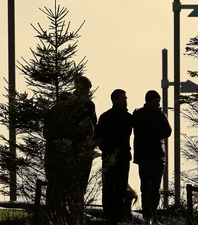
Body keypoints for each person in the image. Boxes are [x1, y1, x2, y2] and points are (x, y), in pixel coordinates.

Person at [44, 75, 98, 225]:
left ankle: (71, 214)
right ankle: (61, 213)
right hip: (69, 152)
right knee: (62, 185)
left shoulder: (88, 106)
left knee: (75, 185)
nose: (87, 92)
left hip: (80, 150)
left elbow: (93, 125)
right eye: (86, 88)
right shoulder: (71, 109)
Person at [133, 90, 172, 224]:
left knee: (155, 188)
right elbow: (142, 132)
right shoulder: (139, 115)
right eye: (155, 101)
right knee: (146, 187)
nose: (158, 104)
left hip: (158, 156)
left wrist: (153, 132)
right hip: (145, 156)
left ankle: (153, 214)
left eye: (158, 101)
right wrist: (155, 132)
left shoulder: (161, 115)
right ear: (148, 102)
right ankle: (147, 214)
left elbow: (167, 131)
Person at [95, 89, 133, 223]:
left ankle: (119, 214)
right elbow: (98, 137)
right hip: (110, 156)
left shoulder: (128, 118)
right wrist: (106, 149)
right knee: (109, 186)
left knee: (121, 187)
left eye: (125, 98)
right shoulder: (106, 117)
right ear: (115, 100)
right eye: (122, 98)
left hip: (123, 156)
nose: (125, 100)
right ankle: (109, 214)